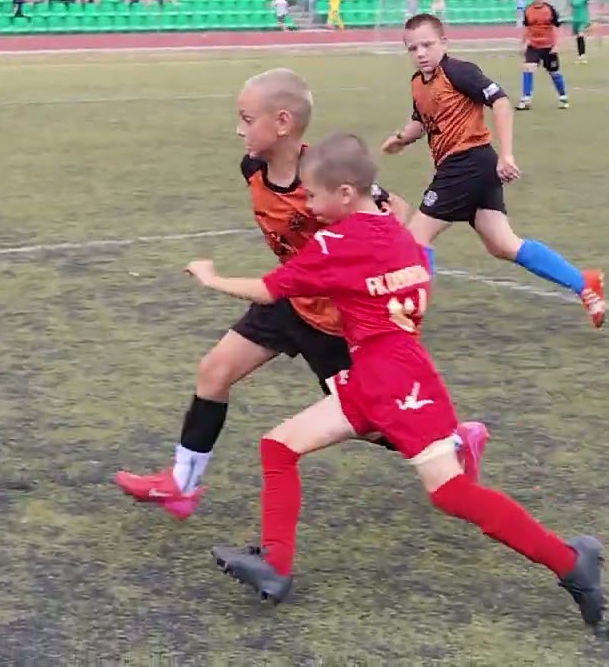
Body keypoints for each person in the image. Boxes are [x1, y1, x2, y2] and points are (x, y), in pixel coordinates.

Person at [193, 133, 606, 629]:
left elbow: (266, 290)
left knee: (449, 491)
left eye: (313, 194)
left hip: (396, 381)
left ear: (345, 193)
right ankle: (274, 566)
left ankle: (569, 564)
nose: (307, 203)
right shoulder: (399, 232)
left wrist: (211, 277)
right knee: (278, 446)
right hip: (371, 374)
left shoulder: (335, 242)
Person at [114, 69, 408, 520]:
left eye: (247, 119)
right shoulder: (252, 167)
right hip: (287, 298)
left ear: (283, 122)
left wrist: (363, 270)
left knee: (366, 424)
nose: (238, 129)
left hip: (332, 321)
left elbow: (395, 213)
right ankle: (181, 485)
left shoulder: (330, 177)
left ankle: (449, 442)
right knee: (214, 370)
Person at [380, 13, 605, 328]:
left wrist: (507, 155)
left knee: (415, 238)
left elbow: (499, 101)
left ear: (444, 43)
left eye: (427, 45)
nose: (420, 53)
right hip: (469, 167)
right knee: (503, 245)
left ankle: (407, 319)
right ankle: (584, 282)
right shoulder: (418, 83)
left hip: (467, 162)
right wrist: (402, 139)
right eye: (413, 48)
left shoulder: (459, 72)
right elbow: (422, 121)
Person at [516, 0, 569, 109]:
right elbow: (526, 28)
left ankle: (563, 97)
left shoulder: (550, 9)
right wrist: (523, 43)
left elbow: (559, 28)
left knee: (554, 73)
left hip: (549, 47)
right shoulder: (528, 10)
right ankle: (526, 99)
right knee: (528, 68)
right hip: (533, 46)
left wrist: (557, 45)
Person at [569, 0, 592, 64]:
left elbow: (588, 2)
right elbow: (571, 8)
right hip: (575, 20)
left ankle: (583, 55)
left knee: (581, 35)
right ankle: (580, 54)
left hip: (583, 19)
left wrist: (589, 19)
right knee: (578, 37)